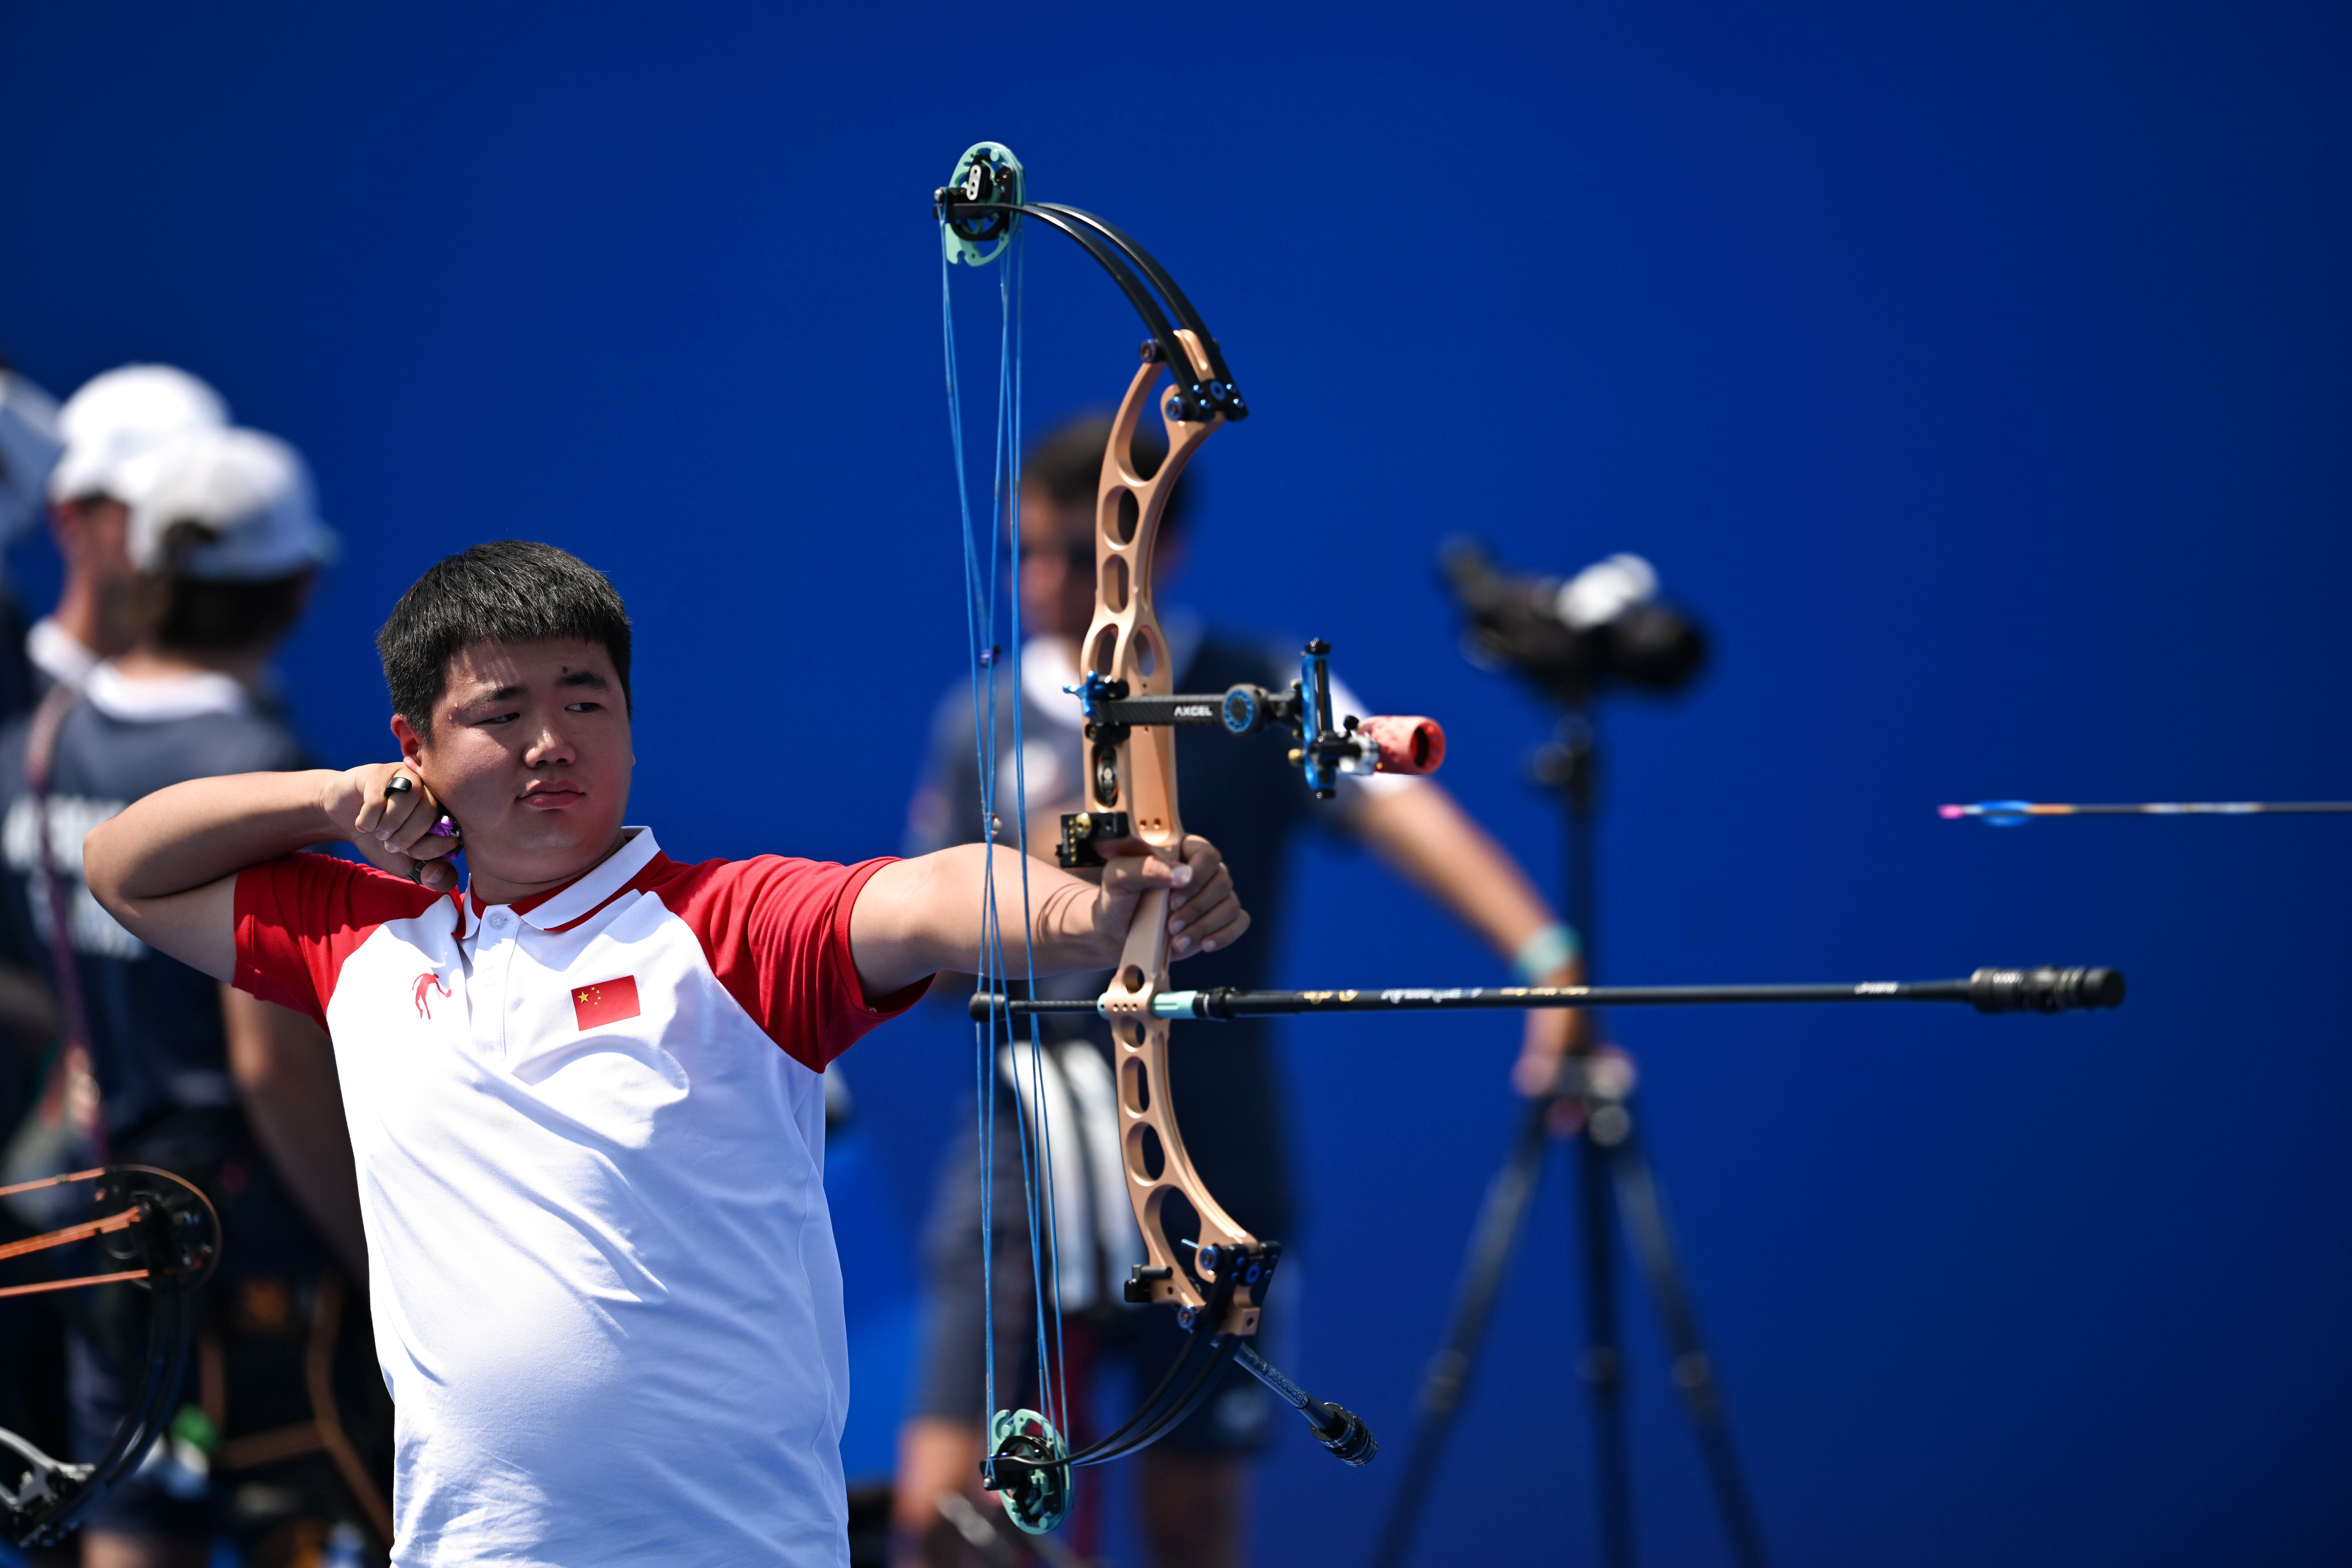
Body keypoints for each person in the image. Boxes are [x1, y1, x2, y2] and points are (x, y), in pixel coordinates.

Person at [79, 539, 1253, 1567]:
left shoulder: (728, 923)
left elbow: (933, 895)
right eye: (500, 711)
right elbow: (124, 867)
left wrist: (1090, 918)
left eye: (586, 701)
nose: (551, 742)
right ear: (415, 748)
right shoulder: (363, 935)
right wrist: (332, 800)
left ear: (632, 729)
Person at [892, 415, 1589, 1568]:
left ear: (1151, 551)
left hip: (1210, 1152)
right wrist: (1063, 886)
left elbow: (1399, 799)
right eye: (1030, 552)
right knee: (951, 1516)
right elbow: (924, 965)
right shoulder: (978, 722)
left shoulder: (1252, 686)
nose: (1049, 583)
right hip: (1023, 1160)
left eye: (1081, 551)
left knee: (1194, 1526)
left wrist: (1549, 958)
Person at [0, 422, 384, 1568]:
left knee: (137, 1516)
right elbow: (268, 1064)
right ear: (300, 586)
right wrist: (378, 1250)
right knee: (321, 1519)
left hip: (101, 1210)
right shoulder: (250, 762)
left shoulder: (50, 733)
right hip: (242, 1235)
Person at [34, 364, 230, 693]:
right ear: (69, 517)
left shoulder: (254, 709)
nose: (187, 540)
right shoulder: (13, 697)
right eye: (155, 508)